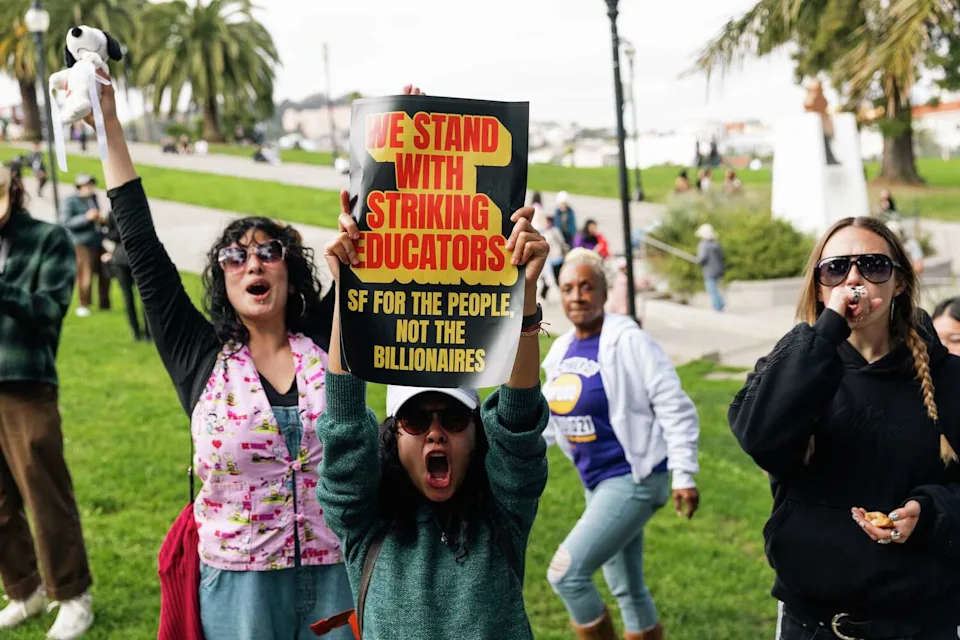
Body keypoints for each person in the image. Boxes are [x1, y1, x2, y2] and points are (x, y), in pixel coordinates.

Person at [96, 70, 353, 639]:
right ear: (222, 276)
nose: (253, 262)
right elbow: (139, 242)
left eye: (269, 250)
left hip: (338, 577)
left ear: (291, 268)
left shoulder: (325, 337)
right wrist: (111, 123)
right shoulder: (198, 355)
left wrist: (399, 145)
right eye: (236, 256)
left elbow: (370, 239)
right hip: (239, 592)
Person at [315, 125, 552, 636]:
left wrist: (524, 298)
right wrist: (349, 292)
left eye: (453, 417)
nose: (436, 432)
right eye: (416, 418)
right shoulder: (364, 521)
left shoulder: (503, 515)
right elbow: (343, 426)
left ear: (476, 433)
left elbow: (518, 424)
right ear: (392, 435)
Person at [729, 216, 960, 639]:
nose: (854, 279)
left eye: (873, 266)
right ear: (819, 287)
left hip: (918, 621)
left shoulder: (948, 377)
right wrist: (827, 331)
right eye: (835, 269)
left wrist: (928, 513)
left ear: (899, 282)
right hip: (812, 622)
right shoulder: (793, 367)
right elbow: (758, 437)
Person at [542, 248, 700, 640]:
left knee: (566, 574)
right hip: (595, 482)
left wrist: (683, 473)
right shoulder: (560, 350)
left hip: (633, 477)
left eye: (586, 287)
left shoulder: (628, 340)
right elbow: (547, 418)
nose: (577, 296)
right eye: (567, 288)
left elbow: (673, 404)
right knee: (628, 589)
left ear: (604, 291)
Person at [0, 166, 95, 638]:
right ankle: (24, 589)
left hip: (26, 383)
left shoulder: (47, 238)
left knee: (45, 493)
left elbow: (49, 309)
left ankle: (74, 595)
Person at [60, 174, 110, 317]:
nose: (90, 189)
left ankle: (105, 304)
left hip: (97, 240)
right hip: (81, 243)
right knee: (85, 275)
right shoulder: (70, 201)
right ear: (79, 187)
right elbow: (65, 222)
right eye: (87, 186)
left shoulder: (93, 198)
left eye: (91, 186)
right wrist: (86, 218)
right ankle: (84, 304)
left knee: (105, 272)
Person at [102, 210, 151, 342]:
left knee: (129, 296)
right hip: (133, 257)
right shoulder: (135, 211)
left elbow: (111, 235)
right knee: (142, 296)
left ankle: (138, 332)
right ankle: (146, 332)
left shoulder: (113, 214)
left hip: (121, 257)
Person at [695, 224, 725, 312]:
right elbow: (722, 257)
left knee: (712, 290)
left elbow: (702, 258)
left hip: (709, 271)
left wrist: (698, 260)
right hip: (719, 270)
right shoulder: (716, 244)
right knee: (716, 289)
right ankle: (720, 304)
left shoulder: (703, 245)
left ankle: (717, 307)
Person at [542, 214, 569, 299]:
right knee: (548, 277)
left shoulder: (555, 231)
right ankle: (543, 294)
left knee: (557, 277)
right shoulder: (545, 232)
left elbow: (562, 242)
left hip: (557, 257)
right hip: (548, 259)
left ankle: (564, 293)